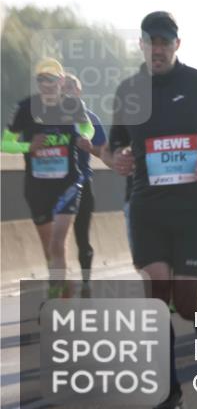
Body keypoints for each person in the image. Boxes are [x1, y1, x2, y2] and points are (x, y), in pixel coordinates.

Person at [108, 11, 197, 409]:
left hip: (191, 211)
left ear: (176, 45)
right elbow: (115, 142)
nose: (158, 49)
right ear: (142, 46)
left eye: (165, 42)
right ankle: (169, 392)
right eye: (151, 42)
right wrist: (117, 157)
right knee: (157, 297)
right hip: (147, 208)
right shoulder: (129, 90)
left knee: (184, 303)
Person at [3, 58, 94, 299]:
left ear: (61, 81)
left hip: (68, 183)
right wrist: (27, 146)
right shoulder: (25, 107)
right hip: (37, 186)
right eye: (41, 80)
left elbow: (88, 128)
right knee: (48, 249)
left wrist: (85, 137)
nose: (46, 84)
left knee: (56, 242)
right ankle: (62, 290)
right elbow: (4, 143)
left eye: (51, 80)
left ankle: (56, 300)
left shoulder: (73, 105)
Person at [62, 73, 108, 295]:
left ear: (78, 92)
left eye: (70, 87)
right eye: (63, 87)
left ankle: (86, 282)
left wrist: (90, 147)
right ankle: (59, 287)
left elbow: (105, 152)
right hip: (55, 187)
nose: (66, 91)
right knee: (56, 240)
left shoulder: (89, 118)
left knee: (82, 236)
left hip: (82, 184)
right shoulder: (49, 118)